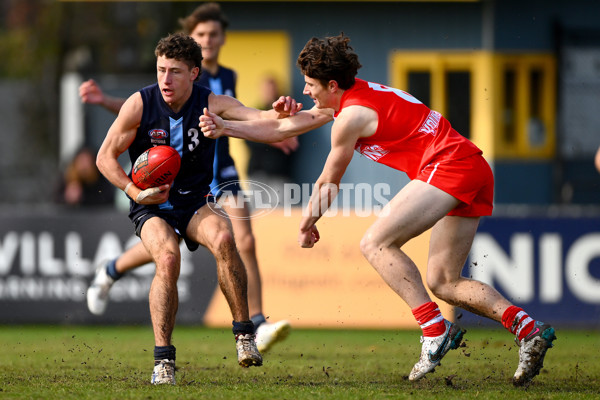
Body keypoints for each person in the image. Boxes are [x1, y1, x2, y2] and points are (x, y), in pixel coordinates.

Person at [199, 33, 557, 387]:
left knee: (375, 242)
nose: (305, 92)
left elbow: (327, 181)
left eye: (310, 85)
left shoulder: (350, 117)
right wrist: (227, 127)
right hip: (471, 165)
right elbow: (283, 128)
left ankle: (434, 330)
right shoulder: (354, 96)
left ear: (332, 84)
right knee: (443, 281)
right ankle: (529, 330)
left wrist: (307, 222)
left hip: (448, 166)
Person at [82, 2, 292, 354]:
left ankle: (245, 336)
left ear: (194, 73)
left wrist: (278, 112)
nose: (165, 79)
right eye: (161, 69)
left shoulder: (211, 98)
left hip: (194, 200)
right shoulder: (140, 102)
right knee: (166, 258)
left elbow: (255, 116)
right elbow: (104, 157)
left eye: (175, 72)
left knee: (227, 238)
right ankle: (163, 359)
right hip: (151, 205)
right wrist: (134, 189)